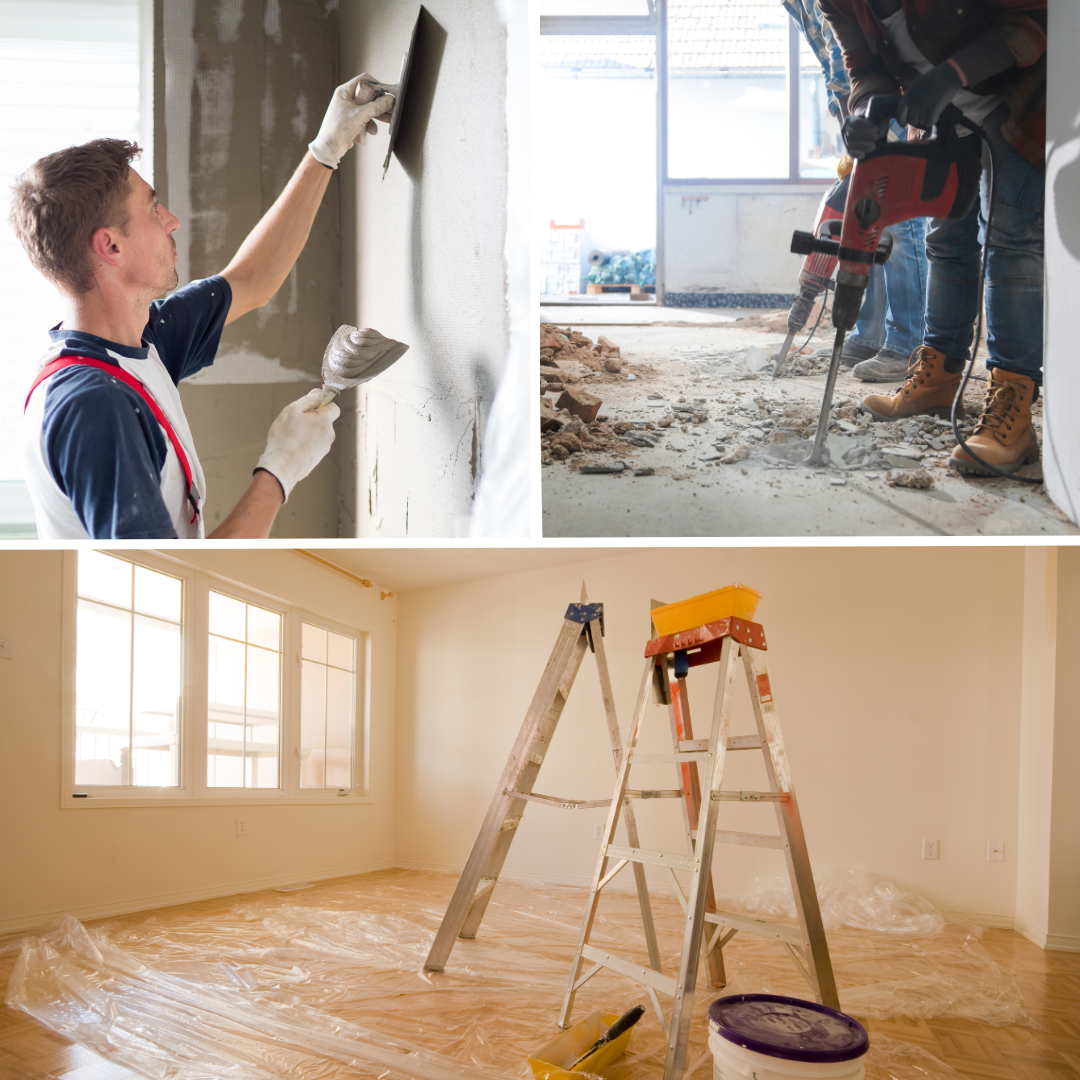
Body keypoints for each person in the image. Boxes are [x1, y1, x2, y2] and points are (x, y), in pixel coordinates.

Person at [12, 74, 394, 538]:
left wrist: (325, 150)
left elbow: (250, 281)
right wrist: (278, 471)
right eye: (153, 209)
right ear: (109, 247)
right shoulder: (96, 407)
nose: (171, 220)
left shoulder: (134, 340)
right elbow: (167, 591)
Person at [822, 0, 1047, 474]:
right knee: (945, 238)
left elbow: (1031, 28)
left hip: (1023, 101)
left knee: (1010, 242)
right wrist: (865, 110)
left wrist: (950, 74)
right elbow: (863, 67)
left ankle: (1014, 411)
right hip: (947, 117)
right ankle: (939, 377)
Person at [784, 0, 929, 382]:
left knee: (899, 217)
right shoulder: (797, 5)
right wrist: (848, 125)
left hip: (898, 94)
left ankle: (908, 345)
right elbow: (832, 65)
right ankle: (872, 334)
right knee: (870, 219)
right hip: (862, 104)